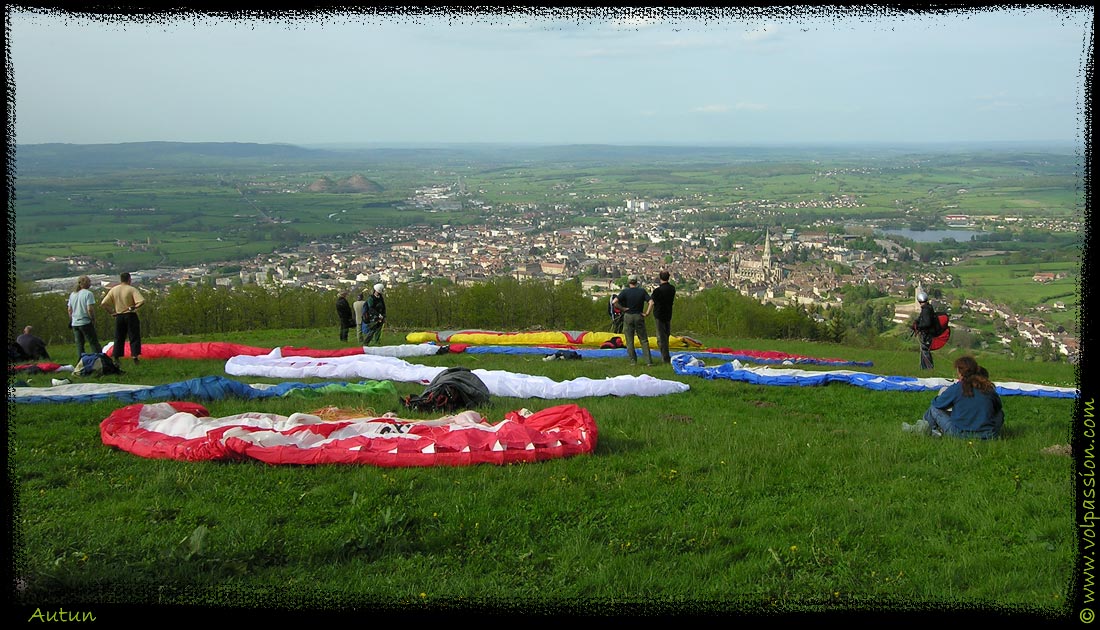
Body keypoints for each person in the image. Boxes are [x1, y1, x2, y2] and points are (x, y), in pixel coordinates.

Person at [903, 356, 1004, 439]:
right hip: (988, 435)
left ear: (960, 372)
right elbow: (998, 408)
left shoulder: (958, 388)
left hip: (959, 434)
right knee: (1000, 413)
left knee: (933, 409)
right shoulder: (987, 388)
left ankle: (929, 430)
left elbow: (937, 403)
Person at [101, 271, 145, 365]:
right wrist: (135, 307)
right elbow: (141, 301)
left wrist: (112, 312)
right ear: (129, 279)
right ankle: (135, 356)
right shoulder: (131, 289)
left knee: (119, 337)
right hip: (130, 314)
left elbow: (103, 303)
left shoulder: (114, 290)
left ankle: (116, 357)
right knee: (134, 336)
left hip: (119, 315)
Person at [612, 275, 653, 366]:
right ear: (636, 282)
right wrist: (647, 313)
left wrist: (622, 308)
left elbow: (614, 302)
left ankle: (633, 361)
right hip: (639, 315)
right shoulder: (642, 291)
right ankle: (648, 362)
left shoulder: (625, 292)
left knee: (629, 340)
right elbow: (651, 302)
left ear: (629, 282)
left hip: (628, 316)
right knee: (643, 340)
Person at [67, 275, 102, 357]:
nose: (90, 283)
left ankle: (81, 361)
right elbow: (90, 309)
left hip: (75, 322)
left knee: (79, 344)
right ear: (85, 283)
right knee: (93, 342)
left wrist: (71, 319)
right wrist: (93, 319)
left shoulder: (73, 294)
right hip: (85, 321)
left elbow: (69, 309)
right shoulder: (88, 294)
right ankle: (99, 359)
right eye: (89, 282)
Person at [650, 270, 677, 364]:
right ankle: (666, 355)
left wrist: (647, 312)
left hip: (659, 314)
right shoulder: (672, 289)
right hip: (668, 314)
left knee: (661, 337)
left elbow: (652, 302)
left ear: (660, 278)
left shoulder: (657, 291)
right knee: (666, 335)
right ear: (668, 277)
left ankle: (665, 357)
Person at [912, 291, 937, 370]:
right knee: (923, 351)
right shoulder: (928, 308)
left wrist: (918, 327)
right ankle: (924, 368)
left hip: (927, 334)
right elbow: (921, 319)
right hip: (927, 333)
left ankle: (928, 368)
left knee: (925, 350)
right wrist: (916, 324)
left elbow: (927, 323)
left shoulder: (926, 309)